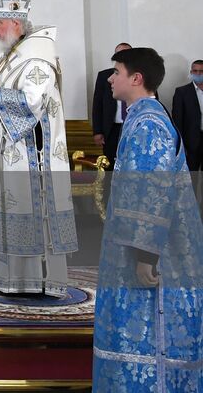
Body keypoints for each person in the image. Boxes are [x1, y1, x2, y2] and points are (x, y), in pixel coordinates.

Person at [92, 46, 203, 392]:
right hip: (138, 247)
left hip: (153, 254)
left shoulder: (149, 124)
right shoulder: (143, 118)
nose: (111, 78)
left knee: (147, 334)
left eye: (117, 72)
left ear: (136, 79)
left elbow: (151, 192)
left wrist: (146, 256)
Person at [0, 0, 78, 294]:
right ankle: (9, 280)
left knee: (26, 212)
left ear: (15, 22)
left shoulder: (36, 56)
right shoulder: (15, 54)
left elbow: (32, 105)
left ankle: (34, 282)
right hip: (7, 157)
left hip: (29, 161)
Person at [92, 41, 133, 168]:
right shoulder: (104, 76)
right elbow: (97, 105)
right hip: (112, 128)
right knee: (110, 164)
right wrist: (97, 131)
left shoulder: (140, 75)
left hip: (132, 126)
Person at [170, 58, 203, 175]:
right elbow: (177, 121)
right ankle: (193, 195)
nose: (198, 74)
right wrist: (181, 145)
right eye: (195, 71)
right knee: (191, 177)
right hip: (191, 143)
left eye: (201, 71)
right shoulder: (182, 92)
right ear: (191, 72)